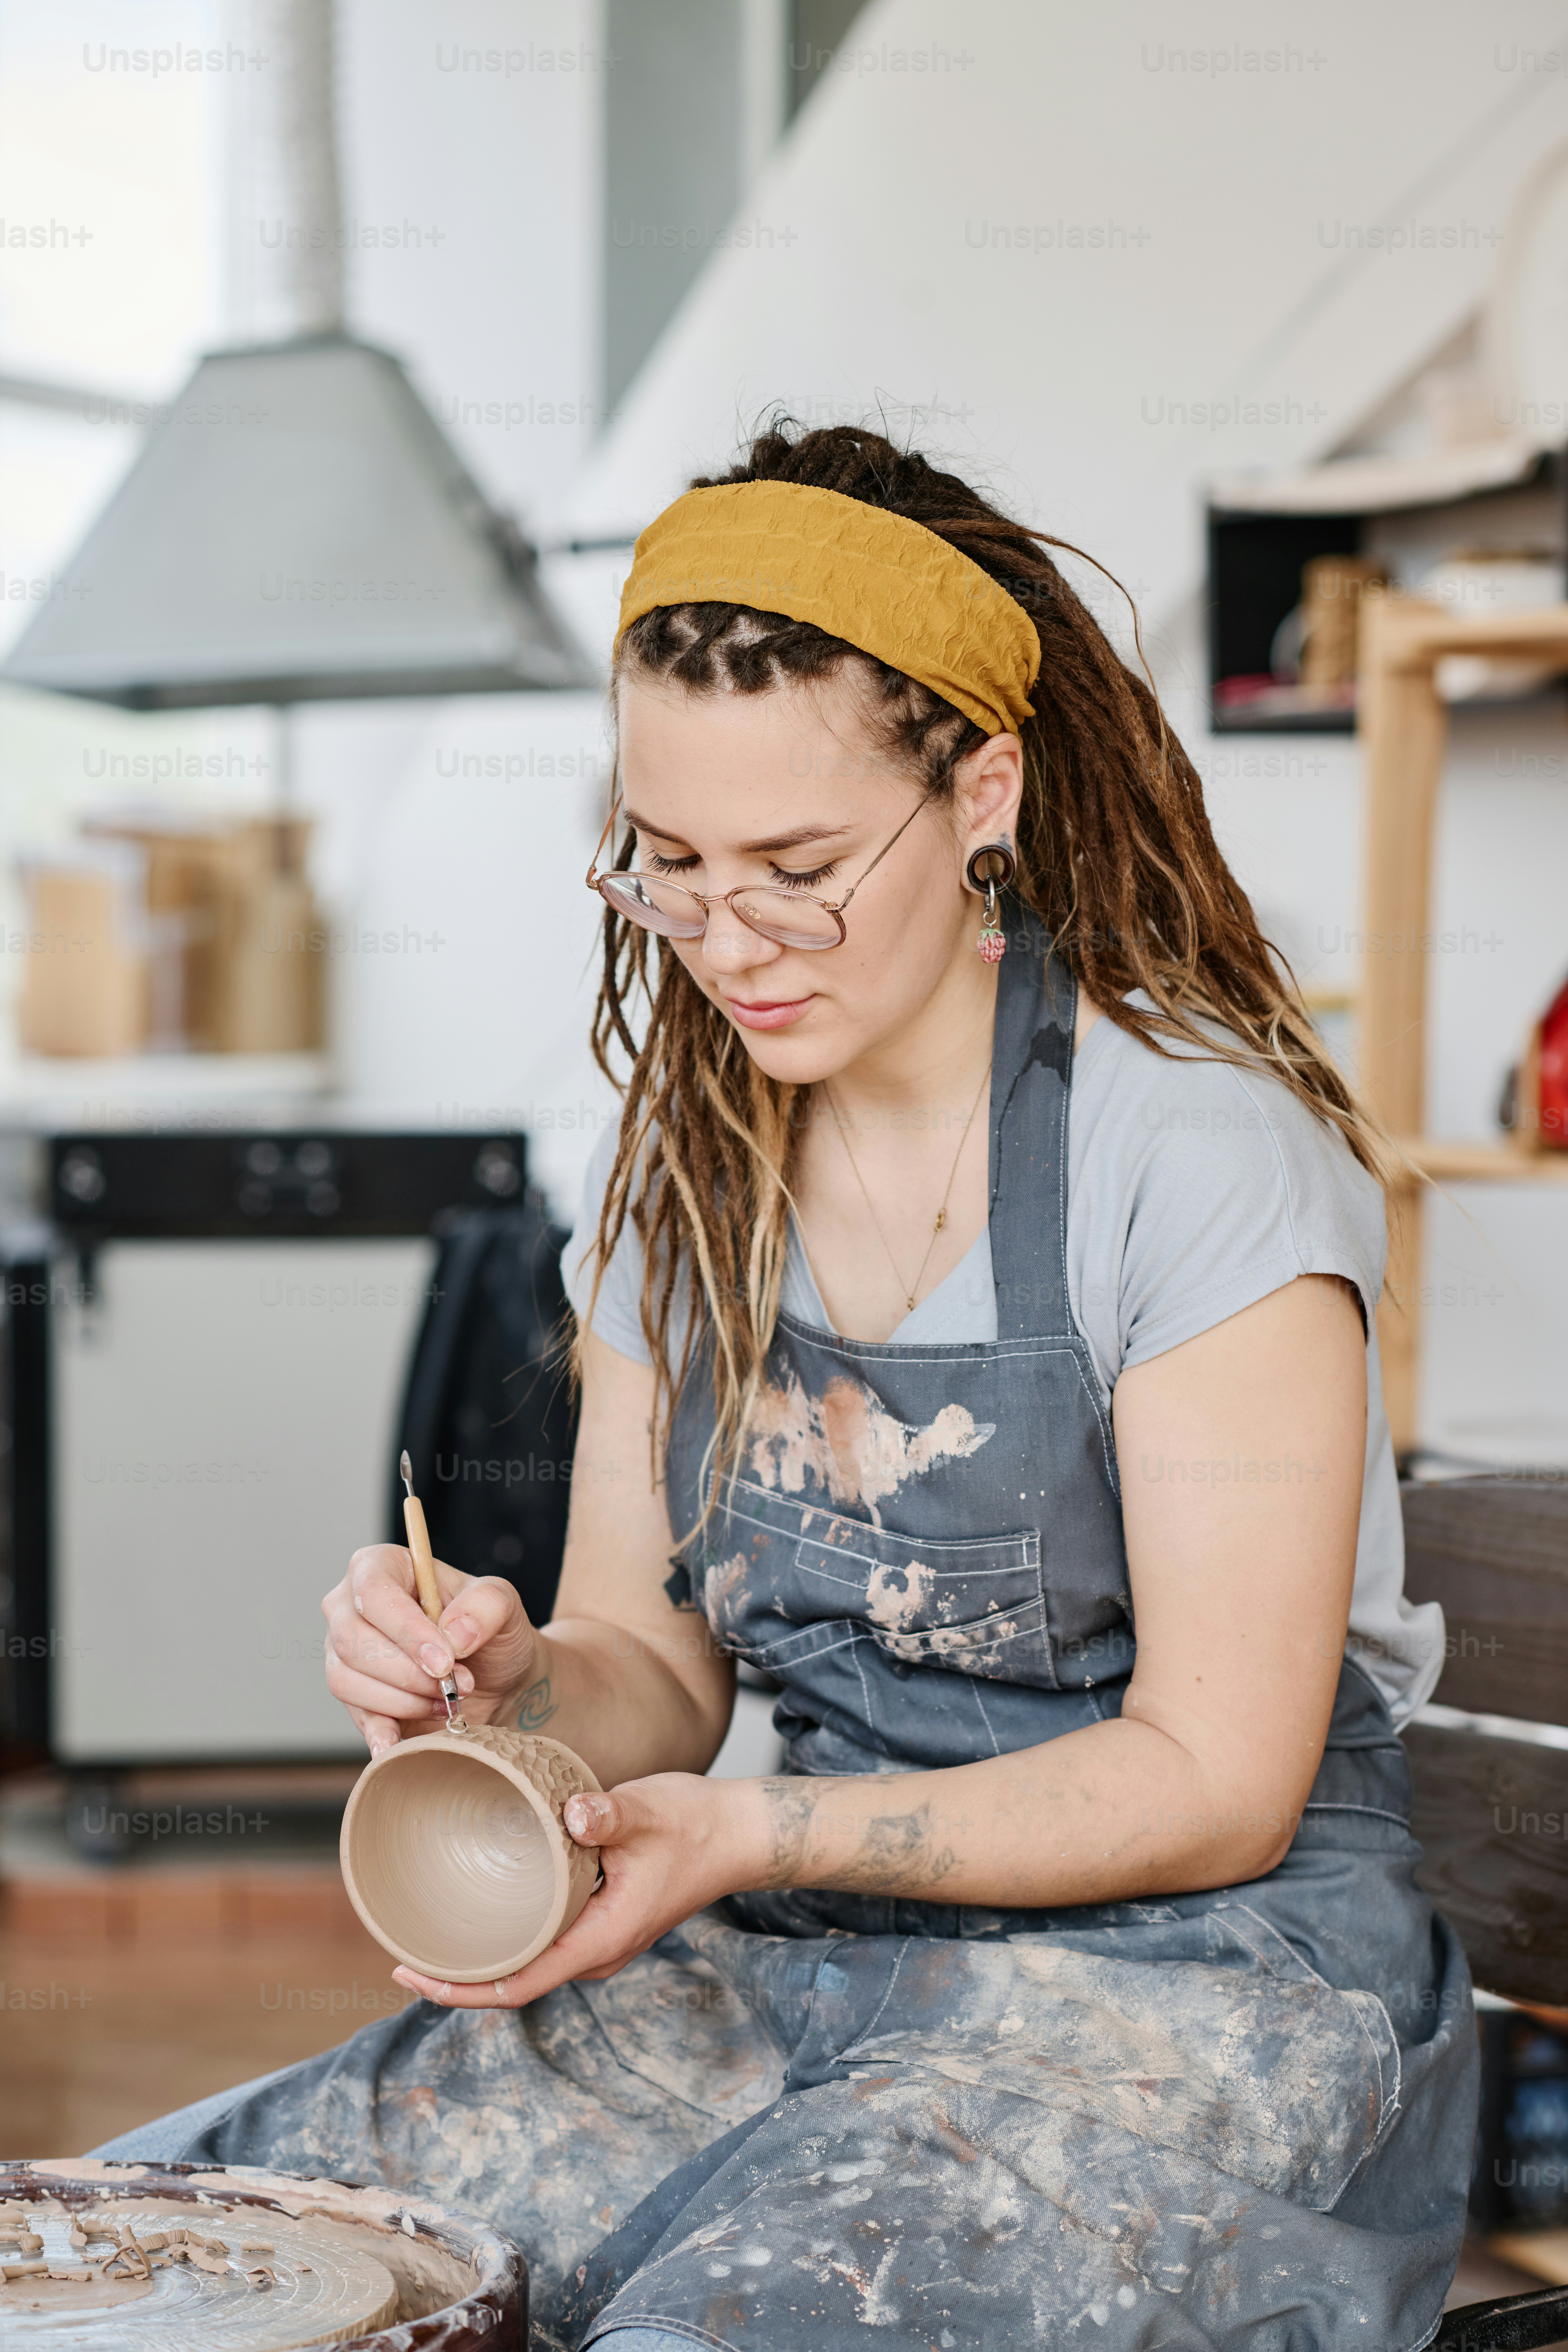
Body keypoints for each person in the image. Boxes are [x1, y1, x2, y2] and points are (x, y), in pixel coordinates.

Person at [96, 424, 1477, 2350]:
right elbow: (646, 1670)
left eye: (802, 868)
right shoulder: (684, 1180)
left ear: (983, 792)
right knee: (173, 2263)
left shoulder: (1196, 1163)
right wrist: (513, 1690)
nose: (729, 942)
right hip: (817, 1969)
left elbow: (1217, 1784)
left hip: (1200, 2000)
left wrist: (753, 1840)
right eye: (672, 868)